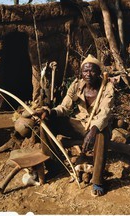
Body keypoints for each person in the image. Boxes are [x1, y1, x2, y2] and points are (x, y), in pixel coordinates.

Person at [38, 54, 115, 197]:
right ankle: (55, 165)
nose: (88, 74)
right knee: (45, 124)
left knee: (102, 133)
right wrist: (51, 113)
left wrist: (93, 129)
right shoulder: (76, 85)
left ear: (98, 72)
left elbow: (105, 112)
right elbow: (64, 107)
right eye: (85, 71)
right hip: (80, 124)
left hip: (98, 127)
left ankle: (97, 180)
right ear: (81, 72)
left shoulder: (107, 87)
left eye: (92, 71)